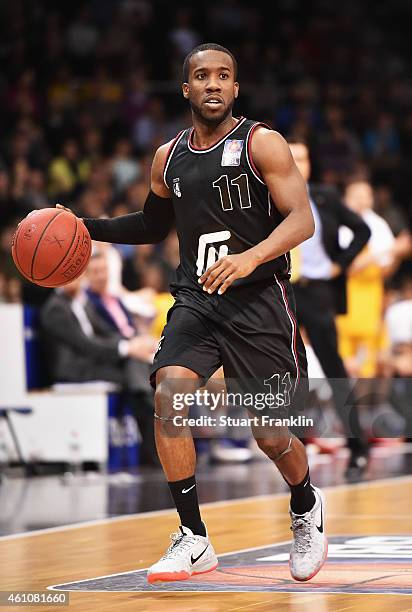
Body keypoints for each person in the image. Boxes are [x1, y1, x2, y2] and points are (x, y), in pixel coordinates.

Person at [57, 43, 327, 583]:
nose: (212, 84)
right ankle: (193, 535)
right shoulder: (168, 156)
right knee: (169, 391)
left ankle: (305, 502)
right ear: (186, 88)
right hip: (197, 300)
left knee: (271, 437)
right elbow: (153, 226)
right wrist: (87, 228)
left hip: (259, 303)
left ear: (235, 88)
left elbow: (302, 220)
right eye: (201, 75)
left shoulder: (262, 144)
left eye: (223, 76)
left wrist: (249, 258)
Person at [287, 139, 371, 472]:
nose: (298, 164)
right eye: (292, 158)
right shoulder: (268, 200)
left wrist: (342, 264)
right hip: (284, 292)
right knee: (290, 373)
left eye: (303, 158)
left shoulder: (326, 197)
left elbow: (361, 230)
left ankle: (357, 446)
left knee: (334, 370)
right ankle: (293, 455)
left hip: (319, 291)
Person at [40, 273, 159, 465]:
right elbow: (86, 345)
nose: (74, 280)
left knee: (135, 364)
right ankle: (149, 411)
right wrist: (128, 348)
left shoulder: (83, 303)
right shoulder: (55, 308)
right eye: (69, 277)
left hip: (91, 363)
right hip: (72, 371)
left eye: (77, 275)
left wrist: (133, 343)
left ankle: (145, 399)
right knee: (133, 368)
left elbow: (107, 333)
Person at [337, 179, 395, 378]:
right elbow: (343, 268)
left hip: (370, 303)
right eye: (356, 196)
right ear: (345, 199)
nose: (361, 201)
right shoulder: (338, 226)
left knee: (368, 364)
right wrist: (373, 257)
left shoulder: (379, 225)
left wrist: (387, 257)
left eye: (366, 196)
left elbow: (388, 266)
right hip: (343, 304)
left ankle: (366, 408)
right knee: (341, 361)